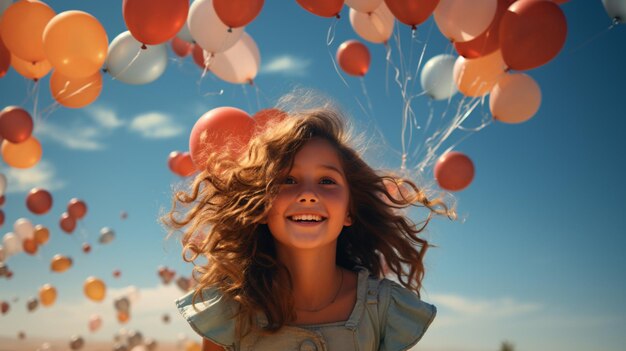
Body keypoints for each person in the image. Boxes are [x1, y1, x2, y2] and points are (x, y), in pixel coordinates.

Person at [165, 95, 455, 351]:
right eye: (288, 180)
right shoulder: (228, 311)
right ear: (263, 206)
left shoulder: (384, 311)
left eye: (327, 181)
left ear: (349, 211)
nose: (307, 194)